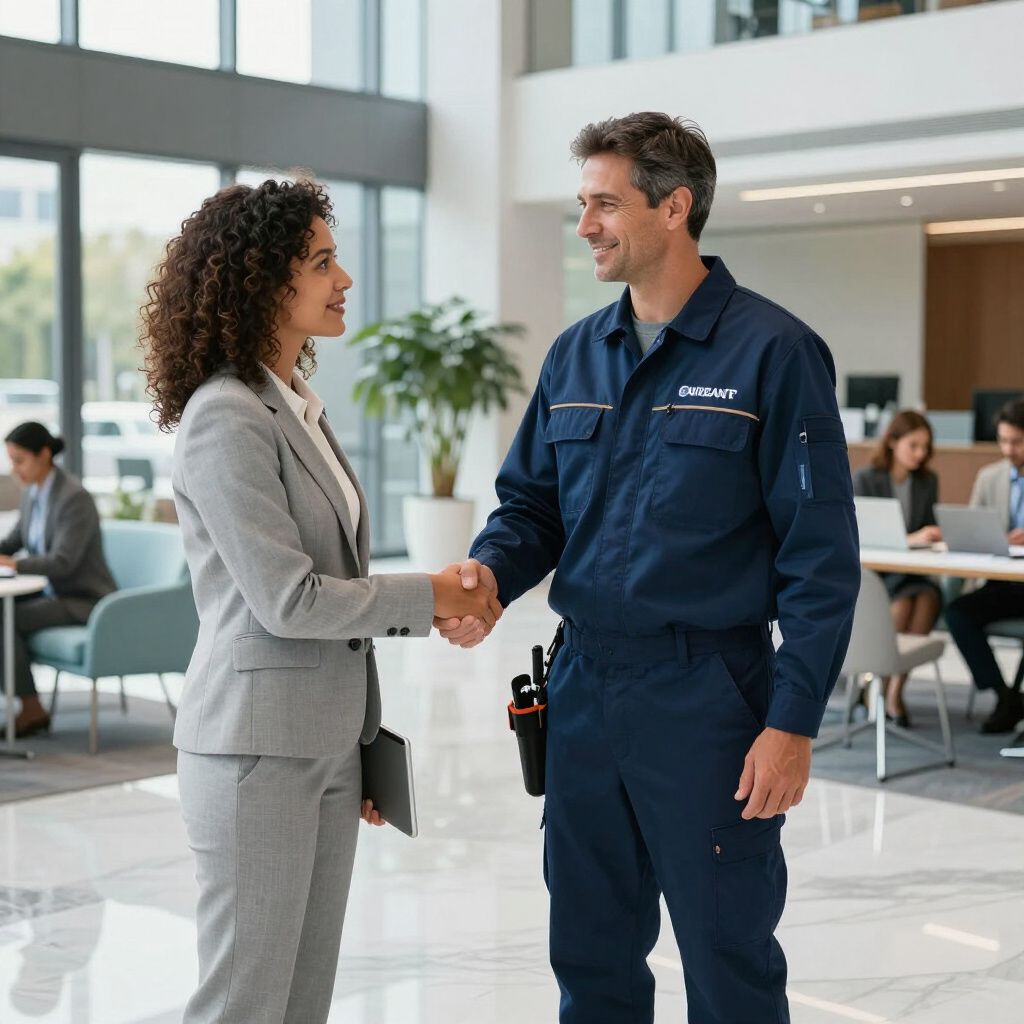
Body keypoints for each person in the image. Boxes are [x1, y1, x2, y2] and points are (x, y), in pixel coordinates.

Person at [437, 113, 860, 1024]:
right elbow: (532, 509)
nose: (585, 224)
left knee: (726, 958)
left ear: (675, 207)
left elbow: (821, 563)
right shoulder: (575, 352)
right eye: (580, 204)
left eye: (604, 204)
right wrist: (490, 578)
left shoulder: (775, 353)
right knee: (588, 953)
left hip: (707, 697)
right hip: (585, 684)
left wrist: (792, 723)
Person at [142, 177, 502, 1024]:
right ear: (264, 279)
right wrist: (438, 592)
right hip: (255, 755)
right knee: (243, 1000)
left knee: (302, 1000)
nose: (343, 281)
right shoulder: (225, 416)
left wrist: (360, 743)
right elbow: (289, 601)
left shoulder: (293, 406)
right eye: (322, 262)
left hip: (325, 748)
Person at [0, 421, 117, 738]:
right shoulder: (33, 493)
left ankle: (32, 708)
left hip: (83, 599)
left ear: (45, 454)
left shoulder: (73, 498)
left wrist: (14, 564)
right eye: (11, 461)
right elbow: (12, 542)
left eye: (20, 460)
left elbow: (63, 563)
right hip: (52, 593)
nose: (15, 470)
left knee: (4, 617)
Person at [852, 410, 943, 727]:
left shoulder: (927, 481)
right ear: (892, 442)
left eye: (925, 447)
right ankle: (876, 683)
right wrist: (911, 537)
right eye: (913, 445)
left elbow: (929, 523)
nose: (920, 454)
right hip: (878, 574)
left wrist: (932, 533)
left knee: (929, 597)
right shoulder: (866, 478)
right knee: (904, 602)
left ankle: (890, 691)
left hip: (914, 572)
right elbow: (861, 531)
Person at [944, 397, 1024, 734]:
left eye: (1017, 441)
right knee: (958, 613)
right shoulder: (989, 477)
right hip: (1002, 581)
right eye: (1003, 440)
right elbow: (973, 530)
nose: (1008, 449)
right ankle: (1005, 694)